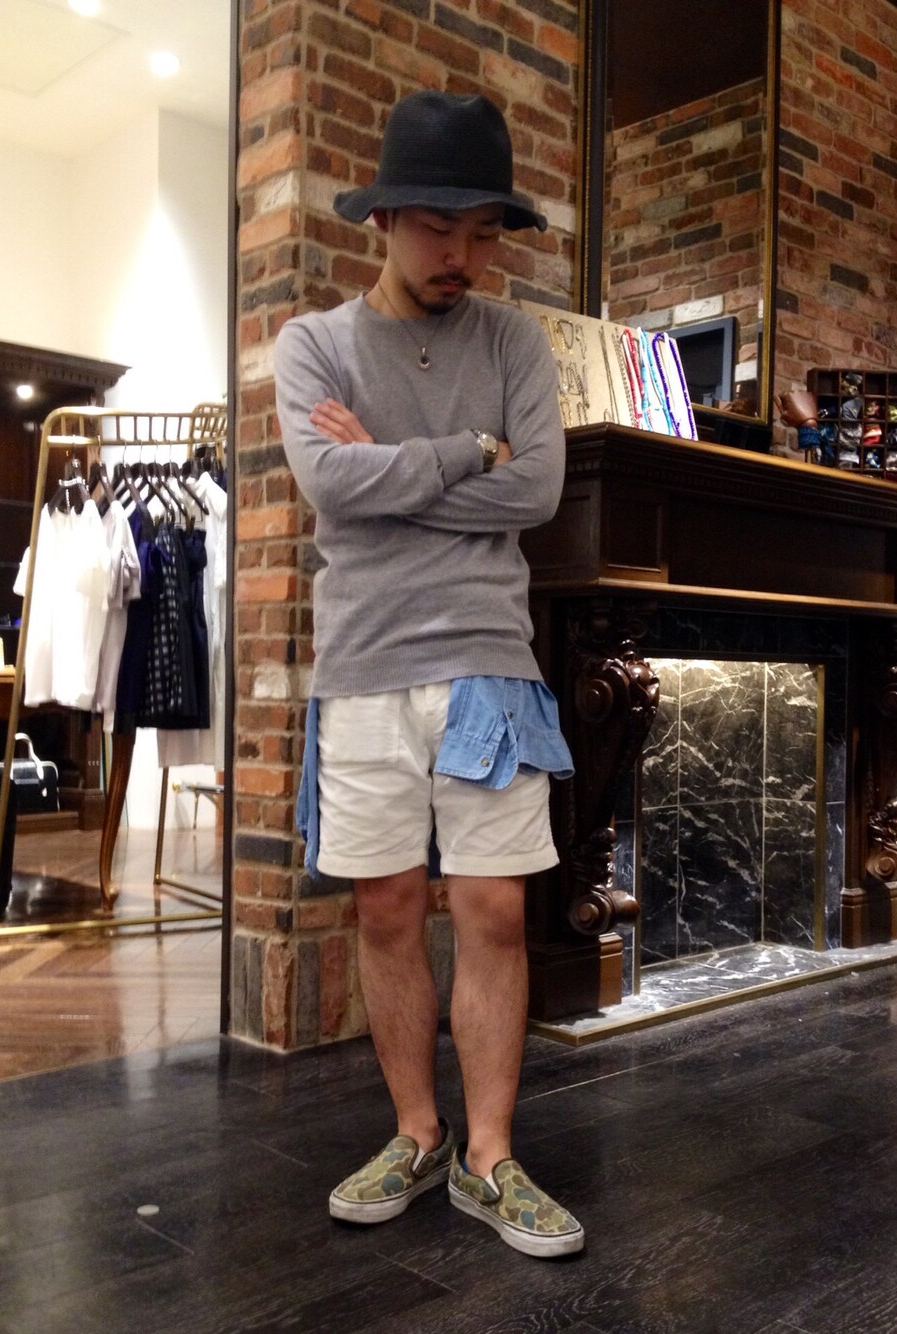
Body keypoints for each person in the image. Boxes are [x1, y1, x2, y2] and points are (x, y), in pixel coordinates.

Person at [274, 89, 584, 1259]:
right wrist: (465, 452)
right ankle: (416, 1129)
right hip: (362, 663)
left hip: (487, 661)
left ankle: (487, 1154)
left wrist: (394, 473)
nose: (464, 254)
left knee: (495, 907)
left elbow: (535, 491)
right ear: (386, 220)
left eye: (484, 232)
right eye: (440, 229)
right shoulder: (313, 345)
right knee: (386, 904)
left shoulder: (513, 343)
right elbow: (329, 485)